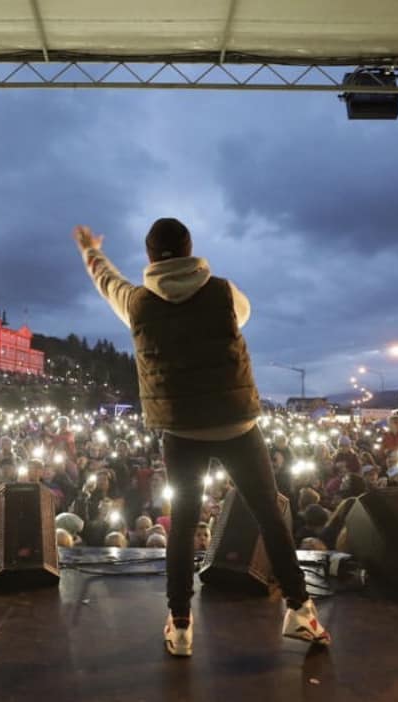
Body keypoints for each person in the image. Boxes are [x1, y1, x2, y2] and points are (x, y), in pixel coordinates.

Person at [74, 219, 329, 658]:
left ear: (149, 256)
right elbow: (243, 317)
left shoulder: (136, 302)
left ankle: (180, 625)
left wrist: (89, 250)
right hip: (237, 425)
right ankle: (301, 611)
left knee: (183, 525)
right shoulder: (225, 292)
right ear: (190, 249)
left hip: (181, 430)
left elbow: (106, 280)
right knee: (269, 516)